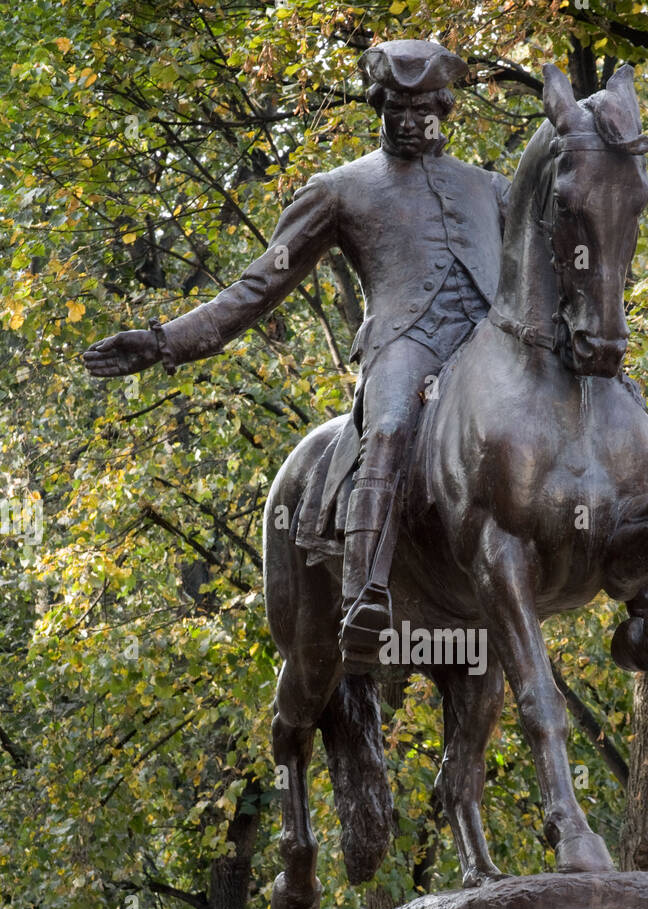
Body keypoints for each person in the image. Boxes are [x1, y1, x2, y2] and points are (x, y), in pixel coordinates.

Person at [84, 39, 510, 670]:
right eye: (396, 105)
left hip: (490, 350)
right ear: (379, 106)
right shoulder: (340, 190)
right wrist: (163, 340)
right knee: (389, 426)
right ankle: (366, 591)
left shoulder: (493, 189)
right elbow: (256, 288)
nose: (411, 119)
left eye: (423, 107)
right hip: (405, 347)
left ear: (445, 107)